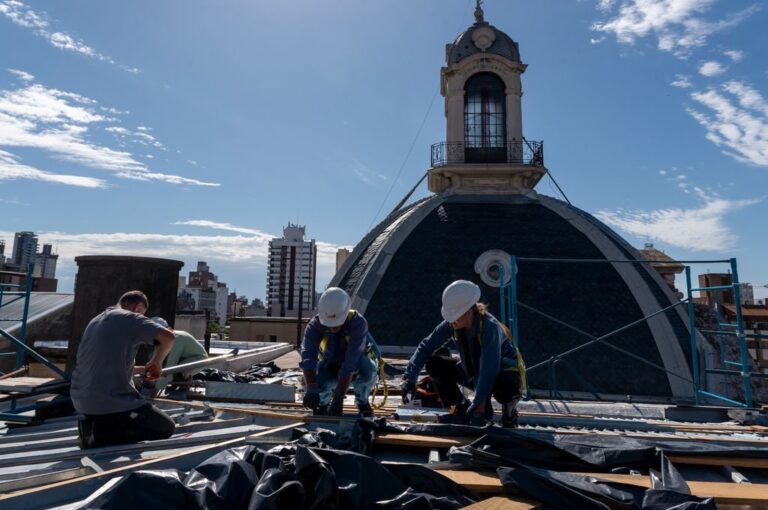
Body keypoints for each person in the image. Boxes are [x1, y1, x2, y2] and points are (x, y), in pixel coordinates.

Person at [402, 280, 525, 427]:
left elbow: (488, 370)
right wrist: (410, 377)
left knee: (508, 389)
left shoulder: (490, 329)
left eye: (455, 316)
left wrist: (479, 406)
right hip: (473, 371)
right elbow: (426, 346)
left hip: (501, 375)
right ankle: (459, 409)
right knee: (435, 365)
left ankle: (509, 413)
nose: (451, 321)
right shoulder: (453, 323)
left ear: (469, 312)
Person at [70, 290, 177, 448]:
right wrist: (157, 362)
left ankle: (96, 426)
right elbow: (168, 338)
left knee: (127, 417)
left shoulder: (96, 321)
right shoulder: (130, 318)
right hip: (110, 402)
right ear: (137, 307)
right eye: (142, 313)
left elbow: (104, 364)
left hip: (81, 402)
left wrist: (142, 369)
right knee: (165, 427)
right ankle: (99, 436)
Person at [300, 287, 379, 417]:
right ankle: (322, 404)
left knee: (369, 372)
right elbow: (308, 356)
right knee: (320, 381)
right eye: (329, 324)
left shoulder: (357, 323)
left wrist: (339, 396)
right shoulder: (315, 326)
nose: (332, 327)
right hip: (330, 362)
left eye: (336, 324)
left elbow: (351, 362)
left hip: (357, 364)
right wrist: (311, 386)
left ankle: (362, 401)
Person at [149, 317, 208, 391]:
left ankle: (184, 383)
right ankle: (175, 383)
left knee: (179, 368)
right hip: (184, 358)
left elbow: (171, 364)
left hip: (200, 359)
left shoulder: (177, 338)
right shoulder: (162, 339)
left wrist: (157, 388)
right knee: (153, 357)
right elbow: (155, 358)